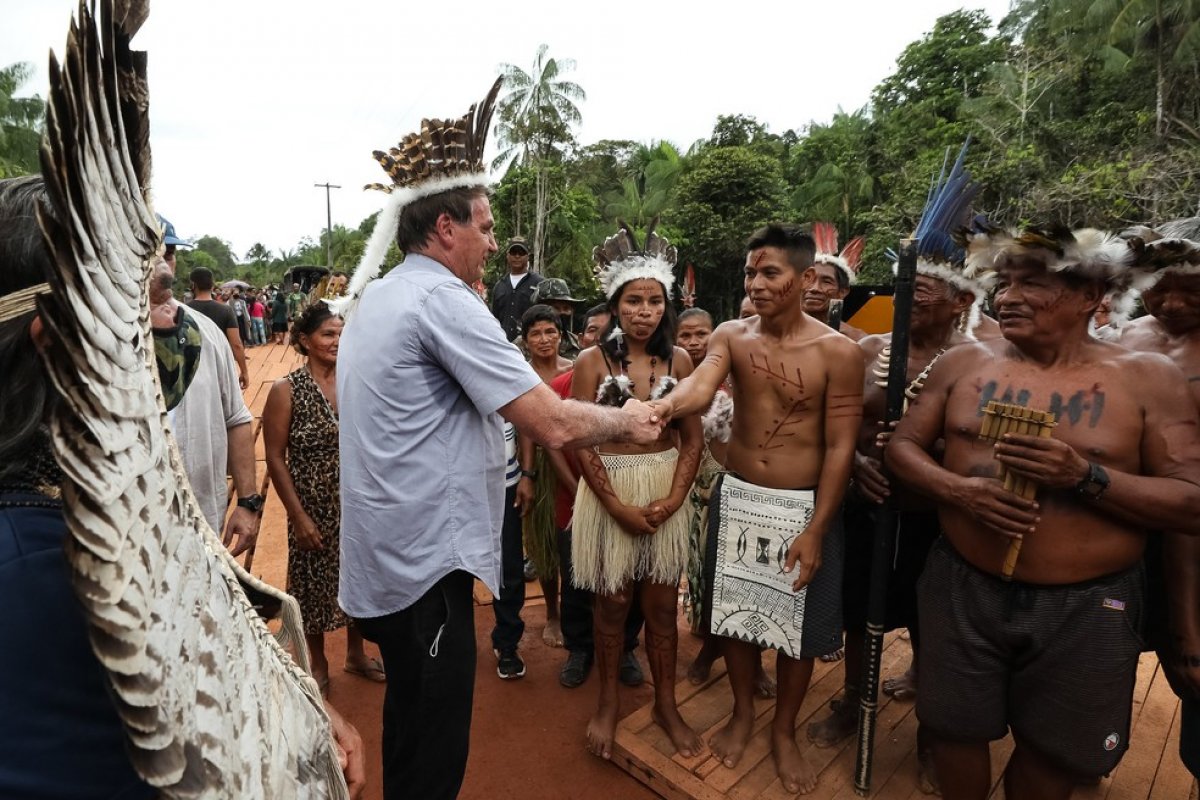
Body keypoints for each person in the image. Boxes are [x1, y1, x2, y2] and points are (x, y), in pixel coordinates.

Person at [335, 80, 664, 800]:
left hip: (395, 556)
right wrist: (630, 421)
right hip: (424, 565)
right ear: (445, 228)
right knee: (435, 738)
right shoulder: (441, 299)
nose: (493, 242)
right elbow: (549, 419)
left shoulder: (388, 294)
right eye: (484, 227)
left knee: (411, 719)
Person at [0, 174, 365, 800]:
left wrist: (284, 703)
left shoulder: (89, 519)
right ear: (69, 348)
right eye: (149, 305)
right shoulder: (47, 568)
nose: (174, 324)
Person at [886, 226, 1200, 799]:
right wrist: (960, 493)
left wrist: (1086, 476)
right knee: (953, 728)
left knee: (1056, 751)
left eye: (1032, 283)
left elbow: (1190, 500)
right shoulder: (963, 363)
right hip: (961, 584)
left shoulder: (1149, 379)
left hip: (1088, 604)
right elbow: (902, 448)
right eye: (1004, 282)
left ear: (1091, 295)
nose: (1007, 297)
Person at [649, 223, 864, 794]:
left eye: (770, 272)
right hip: (739, 496)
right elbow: (700, 389)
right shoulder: (732, 335)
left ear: (805, 278)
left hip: (803, 506)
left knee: (798, 627)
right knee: (737, 618)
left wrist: (819, 527)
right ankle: (744, 714)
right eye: (751, 273)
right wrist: (656, 409)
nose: (757, 283)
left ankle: (783, 731)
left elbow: (842, 445)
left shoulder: (838, 352)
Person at [808, 212, 987, 795]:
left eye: (922, 292)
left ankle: (934, 731)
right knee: (860, 610)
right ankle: (853, 698)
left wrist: (926, 455)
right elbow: (833, 424)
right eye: (904, 288)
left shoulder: (979, 362)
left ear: (960, 300)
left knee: (935, 623)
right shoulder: (870, 349)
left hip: (938, 517)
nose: (907, 300)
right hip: (867, 505)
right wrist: (857, 464)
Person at [570, 225, 704, 761]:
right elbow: (582, 443)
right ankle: (606, 703)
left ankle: (665, 705)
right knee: (612, 603)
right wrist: (617, 506)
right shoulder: (591, 364)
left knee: (662, 608)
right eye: (633, 300)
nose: (644, 310)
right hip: (611, 491)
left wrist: (672, 501)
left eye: (654, 300)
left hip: (665, 486)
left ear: (666, 306)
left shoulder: (683, 363)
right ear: (616, 304)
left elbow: (692, 440)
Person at [263, 301, 385, 696]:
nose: (337, 341)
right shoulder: (286, 390)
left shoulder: (355, 381)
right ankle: (317, 662)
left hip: (356, 501)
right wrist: (298, 517)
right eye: (328, 334)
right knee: (313, 587)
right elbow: (276, 459)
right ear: (305, 340)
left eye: (341, 333)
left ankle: (355, 652)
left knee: (357, 579)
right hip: (311, 507)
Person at [1119, 224, 1200, 780]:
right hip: (1127, 521)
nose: (1171, 302)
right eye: (1157, 287)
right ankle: (1088, 751)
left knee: (1192, 663)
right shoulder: (1125, 339)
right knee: (1110, 648)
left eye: (1190, 289)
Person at [150, 258, 261, 554]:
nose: (161, 257)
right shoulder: (91, 338)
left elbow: (236, 417)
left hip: (204, 522)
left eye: (168, 250)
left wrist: (248, 501)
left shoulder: (207, 331)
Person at [517, 304, 575, 652]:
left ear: (560, 334)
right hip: (536, 462)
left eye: (550, 332)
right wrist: (528, 474)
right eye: (535, 333)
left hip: (573, 459)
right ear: (525, 341)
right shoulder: (520, 373)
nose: (543, 339)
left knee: (572, 541)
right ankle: (553, 613)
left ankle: (575, 611)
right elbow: (526, 425)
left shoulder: (576, 368)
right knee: (544, 545)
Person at [187, 266, 250, 390]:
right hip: (220, 367)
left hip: (193, 371)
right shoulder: (226, 311)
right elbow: (236, 344)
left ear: (193, 285)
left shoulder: (183, 310)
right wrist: (244, 371)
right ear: (212, 286)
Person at [805, 221, 867, 341]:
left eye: (827, 282)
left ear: (843, 291)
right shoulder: (776, 332)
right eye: (809, 280)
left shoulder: (856, 340)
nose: (815, 288)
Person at [490, 236, 543, 341]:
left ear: (528, 256)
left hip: (530, 346)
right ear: (507, 256)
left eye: (521, 253)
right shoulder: (500, 286)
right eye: (513, 252)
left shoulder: (539, 284)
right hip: (503, 344)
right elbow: (494, 319)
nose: (517, 256)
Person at [530, 278, 583, 357]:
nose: (562, 312)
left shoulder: (579, 344)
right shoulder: (522, 345)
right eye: (556, 308)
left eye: (566, 308)